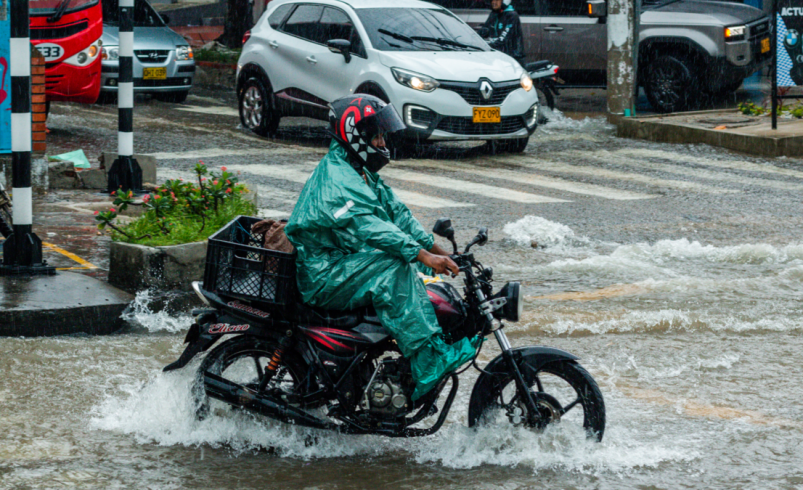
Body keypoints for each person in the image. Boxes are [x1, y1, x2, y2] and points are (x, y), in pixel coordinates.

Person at [284, 95, 476, 401]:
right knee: (394, 265)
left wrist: (440, 252)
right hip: (322, 273)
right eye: (376, 135)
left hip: (344, 264)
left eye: (383, 135)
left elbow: (397, 215)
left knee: (407, 265)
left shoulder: (359, 170)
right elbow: (370, 226)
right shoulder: (338, 177)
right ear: (354, 136)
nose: (382, 142)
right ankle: (427, 361)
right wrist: (420, 255)